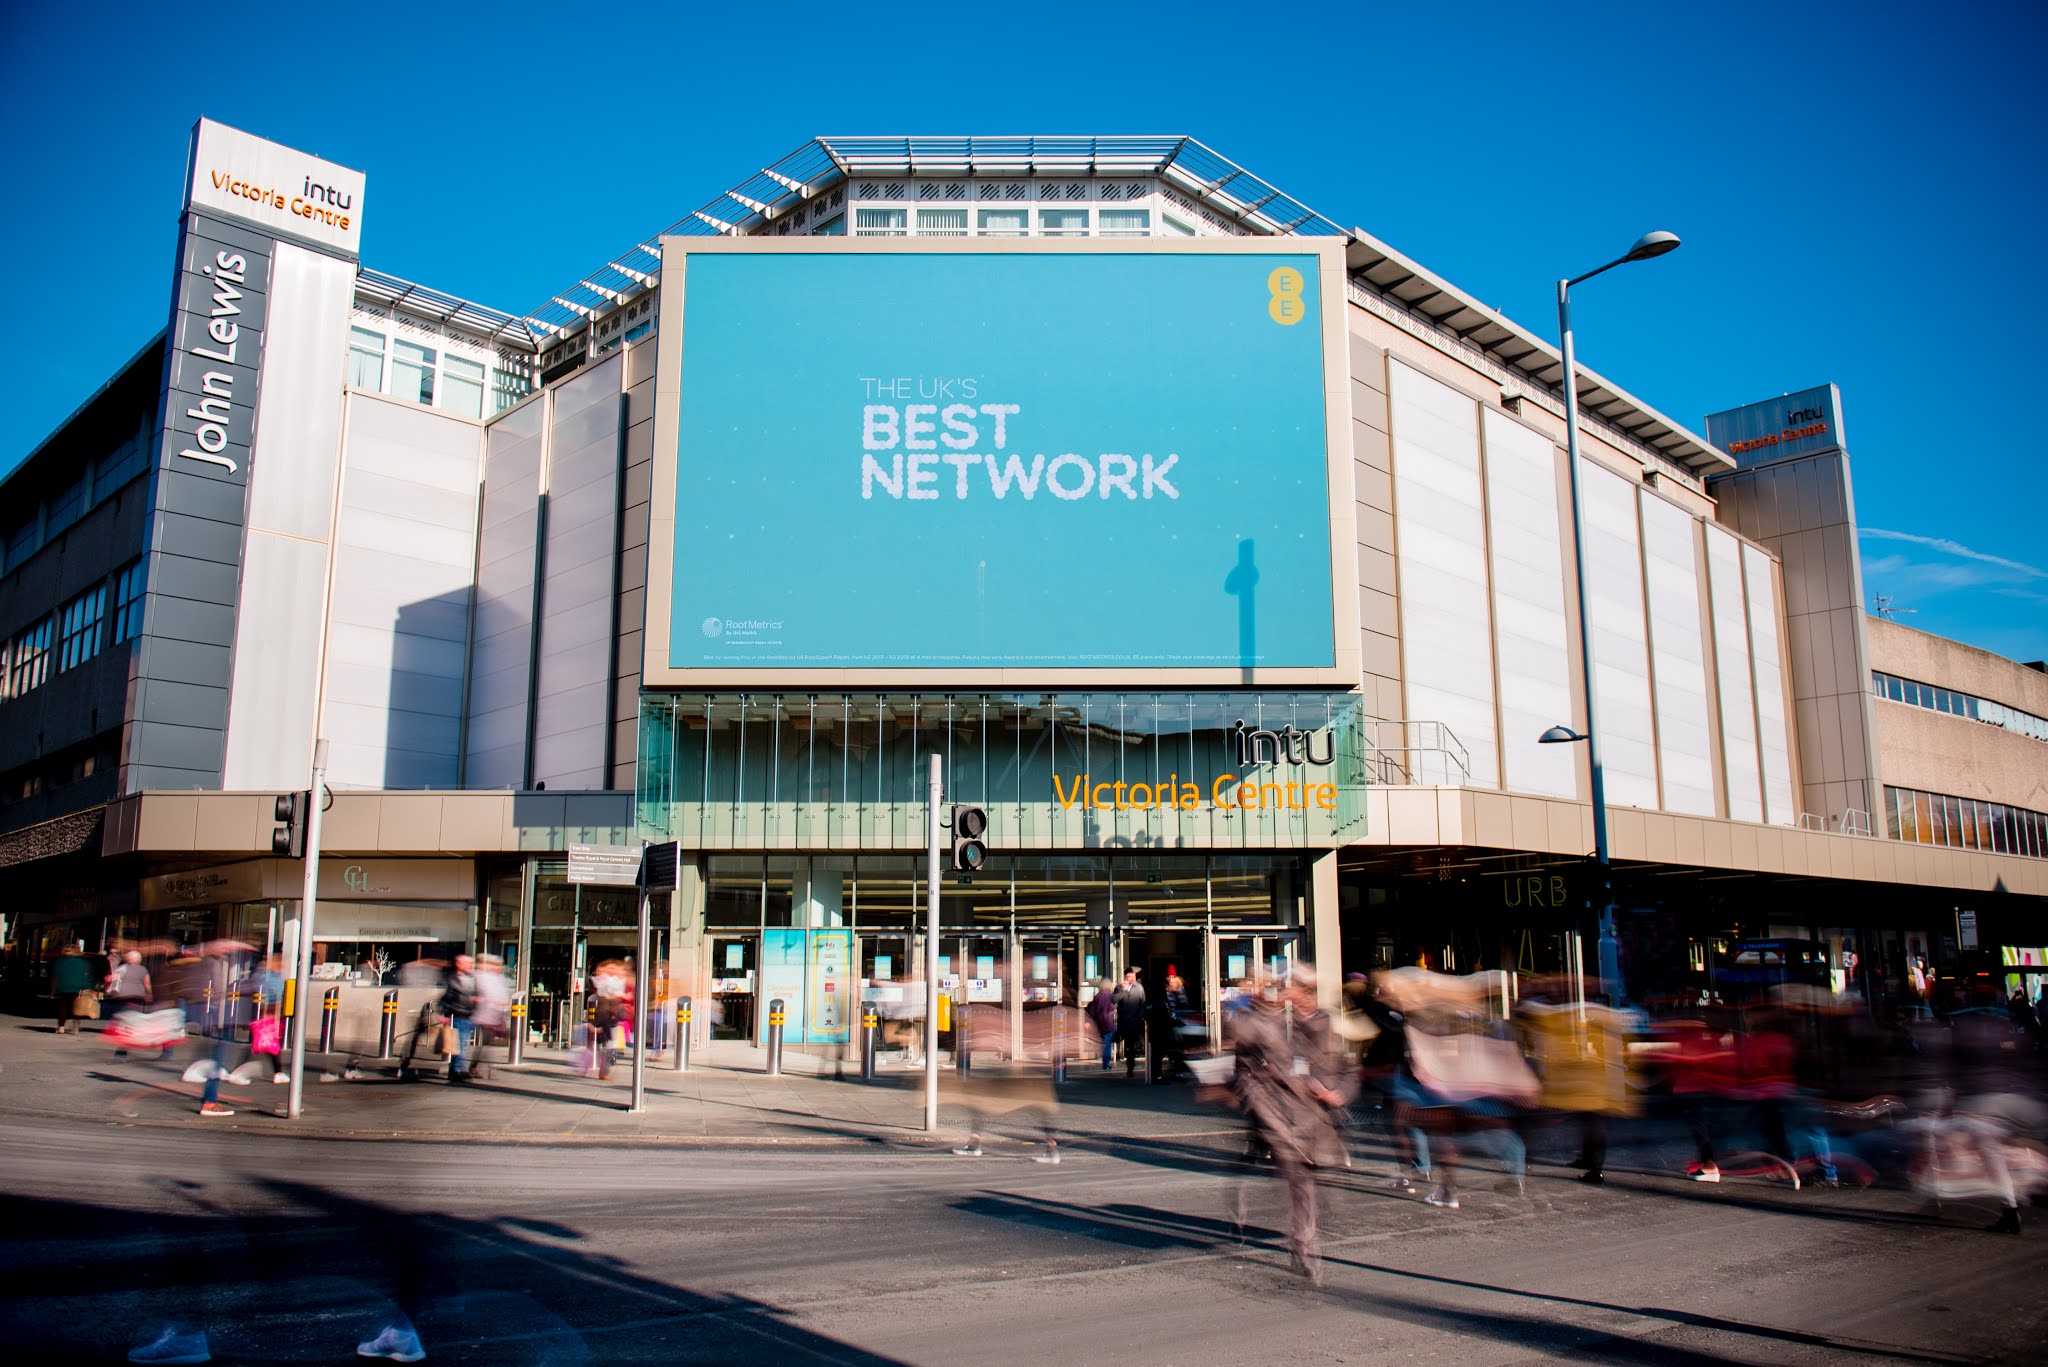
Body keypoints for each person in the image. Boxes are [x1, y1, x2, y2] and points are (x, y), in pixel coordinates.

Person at [1229, 968, 1347, 1284]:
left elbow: (1310, 1055)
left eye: (1275, 986)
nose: (1275, 992)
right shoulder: (1248, 1019)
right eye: (1266, 986)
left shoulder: (1290, 1019)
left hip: (1290, 1106)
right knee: (1272, 1161)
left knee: (1299, 1175)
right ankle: (1239, 1205)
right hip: (1265, 1105)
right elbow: (1259, 1060)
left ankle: (1301, 1247)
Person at [439, 953, 479, 1083]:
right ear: (459, 964)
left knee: (462, 1044)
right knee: (459, 1045)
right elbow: (447, 998)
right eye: (467, 964)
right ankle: (457, 1070)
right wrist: (443, 1014)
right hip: (458, 1015)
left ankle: (459, 1069)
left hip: (469, 1016)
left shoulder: (471, 979)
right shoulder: (453, 979)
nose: (470, 966)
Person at [471, 954, 512, 1079]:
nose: (499, 968)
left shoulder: (498, 978)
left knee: (487, 1043)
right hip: (485, 1014)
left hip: (495, 1014)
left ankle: (479, 1067)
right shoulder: (481, 976)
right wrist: (496, 1002)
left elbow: (503, 994)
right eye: (497, 965)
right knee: (486, 1042)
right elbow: (487, 995)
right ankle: (481, 1068)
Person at [106, 949, 152, 1060]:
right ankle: (131, 1037)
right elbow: (147, 984)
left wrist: (108, 982)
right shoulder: (143, 969)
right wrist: (149, 994)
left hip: (123, 996)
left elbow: (112, 978)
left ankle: (121, 1051)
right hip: (137, 997)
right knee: (132, 1020)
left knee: (124, 1022)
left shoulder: (122, 968)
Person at [1154, 972, 1192, 1083]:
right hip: (1172, 1024)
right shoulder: (1166, 994)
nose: (1171, 985)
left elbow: (1184, 1004)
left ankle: (1178, 1069)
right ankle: (1175, 1068)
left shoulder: (1180, 993)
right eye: (1170, 983)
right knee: (1174, 1047)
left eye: (1173, 983)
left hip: (1179, 1023)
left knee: (1178, 1047)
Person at [51, 945, 93, 1035]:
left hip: (62, 987)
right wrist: (88, 987)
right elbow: (86, 976)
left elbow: (55, 976)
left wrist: (52, 990)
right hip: (77, 987)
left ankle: (61, 1027)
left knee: (63, 1007)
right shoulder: (83, 962)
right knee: (77, 1007)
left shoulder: (59, 961)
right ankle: (75, 1027)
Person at [1115, 968, 1147, 1077]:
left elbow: (1142, 1003)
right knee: (1128, 1044)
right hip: (1124, 1021)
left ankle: (1130, 1067)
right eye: (1129, 977)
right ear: (1125, 977)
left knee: (1131, 1044)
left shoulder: (1139, 988)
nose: (1131, 979)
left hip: (1134, 1021)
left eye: (1133, 977)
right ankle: (1129, 1064)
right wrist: (1123, 990)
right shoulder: (1120, 988)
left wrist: (1140, 1017)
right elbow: (1114, 1000)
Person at [1086, 977, 1119, 1069]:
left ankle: (1105, 1062)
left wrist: (1088, 1021)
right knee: (1107, 1044)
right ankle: (1106, 1063)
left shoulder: (1097, 996)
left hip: (1100, 1023)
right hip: (1109, 1023)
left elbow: (1092, 1010)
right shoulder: (1111, 996)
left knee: (1105, 1043)